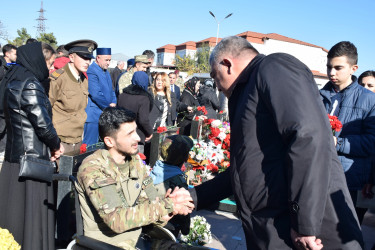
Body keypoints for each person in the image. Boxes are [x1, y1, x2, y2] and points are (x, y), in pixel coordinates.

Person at [184, 36, 363, 249]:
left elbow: (307, 137)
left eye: (215, 76)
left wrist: (305, 223)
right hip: (274, 229)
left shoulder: (274, 67)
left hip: (309, 234)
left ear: (227, 64)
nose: (217, 86)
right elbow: (244, 170)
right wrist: (195, 196)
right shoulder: (248, 89)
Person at [75, 107, 194, 249]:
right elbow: (116, 219)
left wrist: (169, 208)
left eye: (135, 130)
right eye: (129, 133)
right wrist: (167, 205)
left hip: (140, 238)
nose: (138, 137)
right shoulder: (94, 169)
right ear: (109, 141)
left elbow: (150, 201)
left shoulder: (134, 161)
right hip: (109, 245)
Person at [0, 42, 64, 250]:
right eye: (51, 63)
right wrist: (57, 145)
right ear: (39, 61)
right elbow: (43, 126)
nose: (52, 68)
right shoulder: (30, 84)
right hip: (31, 161)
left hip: (13, 160)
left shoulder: (12, 79)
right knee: (31, 217)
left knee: (13, 214)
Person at [320, 42, 375, 225]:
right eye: (329, 67)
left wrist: (338, 143)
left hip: (348, 182)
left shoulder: (370, 101)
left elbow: (371, 142)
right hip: (316, 176)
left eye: (338, 68)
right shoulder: (316, 96)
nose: (331, 73)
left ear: (353, 68)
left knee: (345, 234)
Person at [49, 40, 97, 153]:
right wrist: (52, 141)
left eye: (89, 59)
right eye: (84, 58)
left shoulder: (84, 80)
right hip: (60, 141)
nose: (87, 62)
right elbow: (45, 110)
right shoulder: (58, 78)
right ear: (71, 57)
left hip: (78, 139)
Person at [150, 134, 193, 237]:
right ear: (185, 158)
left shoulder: (154, 171)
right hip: (167, 227)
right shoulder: (178, 181)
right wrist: (185, 229)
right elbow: (183, 210)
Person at [83, 47, 116, 145]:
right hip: (93, 115)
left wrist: (114, 102)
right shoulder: (91, 70)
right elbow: (95, 94)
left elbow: (112, 90)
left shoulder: (106, 71)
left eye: (109, 60)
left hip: (104, 113)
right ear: (98, 58)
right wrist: (108, 107)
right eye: (106, 60)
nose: (108, 63)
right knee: (90, 146)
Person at [117, 71, 153, 154]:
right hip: (137, 136)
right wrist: (150, 132)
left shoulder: (122, 95)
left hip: (123, 134)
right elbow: (143, 120)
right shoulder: (144, 98)